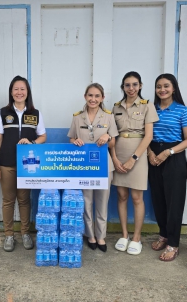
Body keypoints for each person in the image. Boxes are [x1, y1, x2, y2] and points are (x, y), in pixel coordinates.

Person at [0, 75, 46, 252]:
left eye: (22, 89)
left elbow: (43, 136)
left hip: (27, 165)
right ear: (11, 92)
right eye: (16, 89)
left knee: (24, 200)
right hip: (6, 164)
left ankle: (25, 233)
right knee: (8, 200)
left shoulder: (35, 113)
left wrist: (32, 144)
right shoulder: (3, 112)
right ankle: (9, 235)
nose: (19, 92)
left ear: (27, 92)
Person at [147, 74, 187, 261]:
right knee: (158, 199)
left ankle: (173, 244)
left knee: (174, 201)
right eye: (159, 86)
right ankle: (164, 235)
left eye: (166, 86)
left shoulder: (182, 111)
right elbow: (145, 134)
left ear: (174, 88)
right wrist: (150, 152)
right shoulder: (150, 109)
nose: (162, 90)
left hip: (174, 155)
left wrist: (168, 152)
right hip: (153, 155)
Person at [111, 71, 158, 255]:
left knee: (137, 198)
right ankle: (124, 235)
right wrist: (114, 158)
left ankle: (137, 238)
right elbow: (112, 135)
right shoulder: (116, 108)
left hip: (138, 154)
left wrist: (134, 159)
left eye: (135, 84)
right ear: (123, 87)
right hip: (119, 151)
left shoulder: (147, 106)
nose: (131, 88)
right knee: (121, 196)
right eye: (127, 85)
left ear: (140, 86)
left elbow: (149, 136)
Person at [68, 83, 119, 252]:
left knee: (102, 202)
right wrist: (75, 141)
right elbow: (71, 139)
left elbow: (113, 143)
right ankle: (90, 235)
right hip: (84, 166)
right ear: (85, 96)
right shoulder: (77, 117)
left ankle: (101, 236)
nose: (93, 99)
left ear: (102, 98)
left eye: (97, 96)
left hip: (103, 166)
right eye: (90, 95)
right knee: (87, 202)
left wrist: (108, 135)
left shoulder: (108, 117)